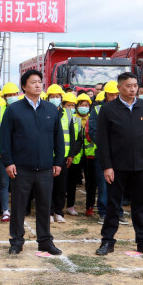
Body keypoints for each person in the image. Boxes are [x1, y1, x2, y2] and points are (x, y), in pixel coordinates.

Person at [95, 72, 143, 257]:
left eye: (135, 86)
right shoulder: (108, 109)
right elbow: (102, 140)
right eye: (128, 86)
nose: (132, 89)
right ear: (119, 88)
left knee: (140, 206)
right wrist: (107, 166)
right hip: (117, 167)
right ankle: (107, 241)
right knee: (113, 205)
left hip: (141, 165)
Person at [0, 69, 64, 255]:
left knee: (44, 206)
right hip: (21, 168)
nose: (38, 85)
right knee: (19, 206)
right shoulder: (14, 110)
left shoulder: (51, 109)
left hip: (45, 168)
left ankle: (45, 241)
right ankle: (16, 241)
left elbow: (58, 138)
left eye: (39, 82)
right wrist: (9, 162)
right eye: (33, 82)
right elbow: (5, 139)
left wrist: (58, 162)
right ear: (24, 86)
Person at [88, 81, 126, 225]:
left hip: (120, 154)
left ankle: (118, 212)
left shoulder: (124, 108)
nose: (114, 97)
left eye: (116, 95)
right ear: (106, 95)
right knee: (104, 185)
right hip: (104, 153)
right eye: (111, 95)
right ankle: (103, 213)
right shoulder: (98, 110)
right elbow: (93, 131)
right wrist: (106, 146)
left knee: (119, 183)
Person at [0, 82, 20, 223]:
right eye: (9, 95)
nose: (12, 97)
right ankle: (5, 211)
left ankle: (17, 209)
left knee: (18, 184)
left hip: (19, 154)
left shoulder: (23, 110)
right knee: (3, 183)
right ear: (4, 97)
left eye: (14, 94)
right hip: (1, 153)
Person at [55, 92, 82, 223]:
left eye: (73, 105)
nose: (70, 108)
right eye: (68, 105)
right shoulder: (50, 113)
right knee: (51, 185)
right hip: (52, 155)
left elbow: (74, 137)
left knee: (63, 185)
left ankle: (59, 210)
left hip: (66, 156)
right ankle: (49, 211)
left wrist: (71, 154)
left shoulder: (71, 117)